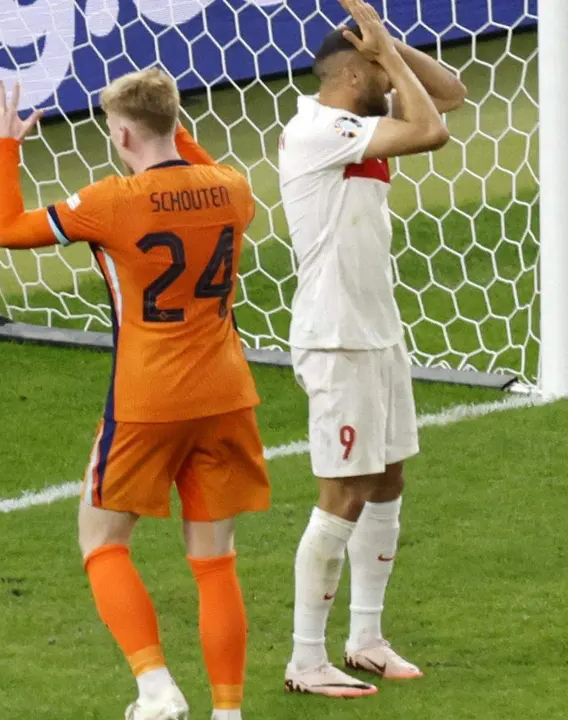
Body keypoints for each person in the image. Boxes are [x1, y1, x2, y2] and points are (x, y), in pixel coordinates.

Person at [0, 69, 269, 720]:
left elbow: (7, 229)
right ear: (174, 122)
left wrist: (5, 147)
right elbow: (196, 165)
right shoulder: (233, 189)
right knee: (215, 561)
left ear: (119, 134)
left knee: (102, 540)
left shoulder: (109, 201)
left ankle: (156, 689)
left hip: (147, 400)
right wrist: (166, 122)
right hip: (227, 395)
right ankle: (228, 714)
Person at [277, 0, 466, 697]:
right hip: (336, 337)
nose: (390, 74)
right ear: (355, 75)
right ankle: (304, 659)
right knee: (344, 491)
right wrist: (386, 58)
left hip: (377, 331)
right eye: (379, 69)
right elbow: (433, 128)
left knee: (386, 479)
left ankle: (365, 638)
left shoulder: (351, 118)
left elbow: (450, 92)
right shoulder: (318, 130)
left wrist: (392, 48)